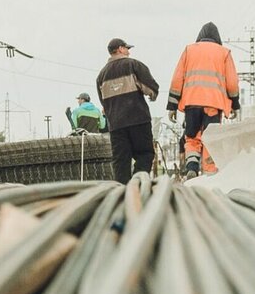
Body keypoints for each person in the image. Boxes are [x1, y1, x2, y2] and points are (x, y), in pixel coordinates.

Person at [167, 22, 240, 179]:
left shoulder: (189, 50)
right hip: (213, 105)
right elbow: (232, 82)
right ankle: (209, 172)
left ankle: (192, 166)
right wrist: (235, 104)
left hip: (191, 103)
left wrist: (172, 105)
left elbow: (177, 79)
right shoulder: (224, 53)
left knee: (192, 137)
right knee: (210, 138)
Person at [96, 38, 160, 183]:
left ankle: (122, 194)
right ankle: (137, 185)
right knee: (145, 154)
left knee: (121, 162)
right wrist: (153, 95)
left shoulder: (101, 76)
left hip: (116, 125)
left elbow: (104, 102)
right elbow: (151, 88)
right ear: (119, 49)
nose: (129, 52)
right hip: (138, 119)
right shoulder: (133, 65)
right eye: (126, 48)